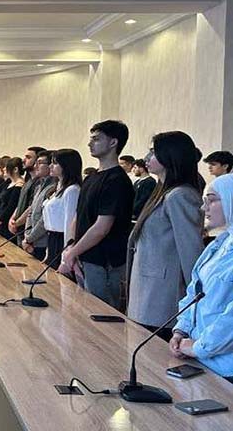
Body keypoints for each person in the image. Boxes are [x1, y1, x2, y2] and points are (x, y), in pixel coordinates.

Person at [126, 131, 204, 341]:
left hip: (162, 297)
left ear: (171, 155)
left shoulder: (181, 195)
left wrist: (196, 302)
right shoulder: (163, 191)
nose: (146, 157)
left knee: (153, 355)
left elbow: (191, 253)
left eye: (153, 152)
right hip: (146, 291)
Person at [60, 120, 134, 310]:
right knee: (82, 312)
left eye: (96, 139)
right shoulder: (92, 177)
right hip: (84, 256)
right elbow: (78, 216)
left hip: (104, 261)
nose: (90, 143)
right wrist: (71, 247)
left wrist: (73, 253)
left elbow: (102, 227)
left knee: (101, 314)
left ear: (113, 142)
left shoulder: (117, 180)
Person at [170, 174, 233, 380]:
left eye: (212, 200)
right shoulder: (219, 244)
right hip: (198, 358)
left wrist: (199, 347)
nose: (204, 207)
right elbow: (195, 293)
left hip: (225, 368)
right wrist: (181, 330)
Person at [42, 149, 82, 269]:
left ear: (66, 166)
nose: (50, 166)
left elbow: (69, 224)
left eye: (55, 163)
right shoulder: (57, 187)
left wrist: (66, 257)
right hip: (52, 238)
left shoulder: (72, 190)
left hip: (62, 240)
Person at [22, 150, 57, 261]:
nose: (35, 166)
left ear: (50, 165)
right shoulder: (39, 186)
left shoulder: (54, 187)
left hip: (43, 242)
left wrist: (30, 238)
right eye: (36, 162)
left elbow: (44, 219)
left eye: (40, 163)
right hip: (31, 240)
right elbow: (31, 212)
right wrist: (27, 235)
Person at [8, 147, 45, 243]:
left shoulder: (39, 183)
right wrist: (12, 218)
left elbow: (31, 207)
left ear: (37, 161)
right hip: (19, 229)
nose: (23, 160)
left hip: (28, 231)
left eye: (28, 157)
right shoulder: (28, 181)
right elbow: (20, 203)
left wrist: (17, 223)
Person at [0, 158, 25, 239]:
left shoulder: (19, 185)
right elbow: (2, 203)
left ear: (15, 169)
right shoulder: (9, 183)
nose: (4, 169)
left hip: (6, 221)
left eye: (7, 167)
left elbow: (11, 206)